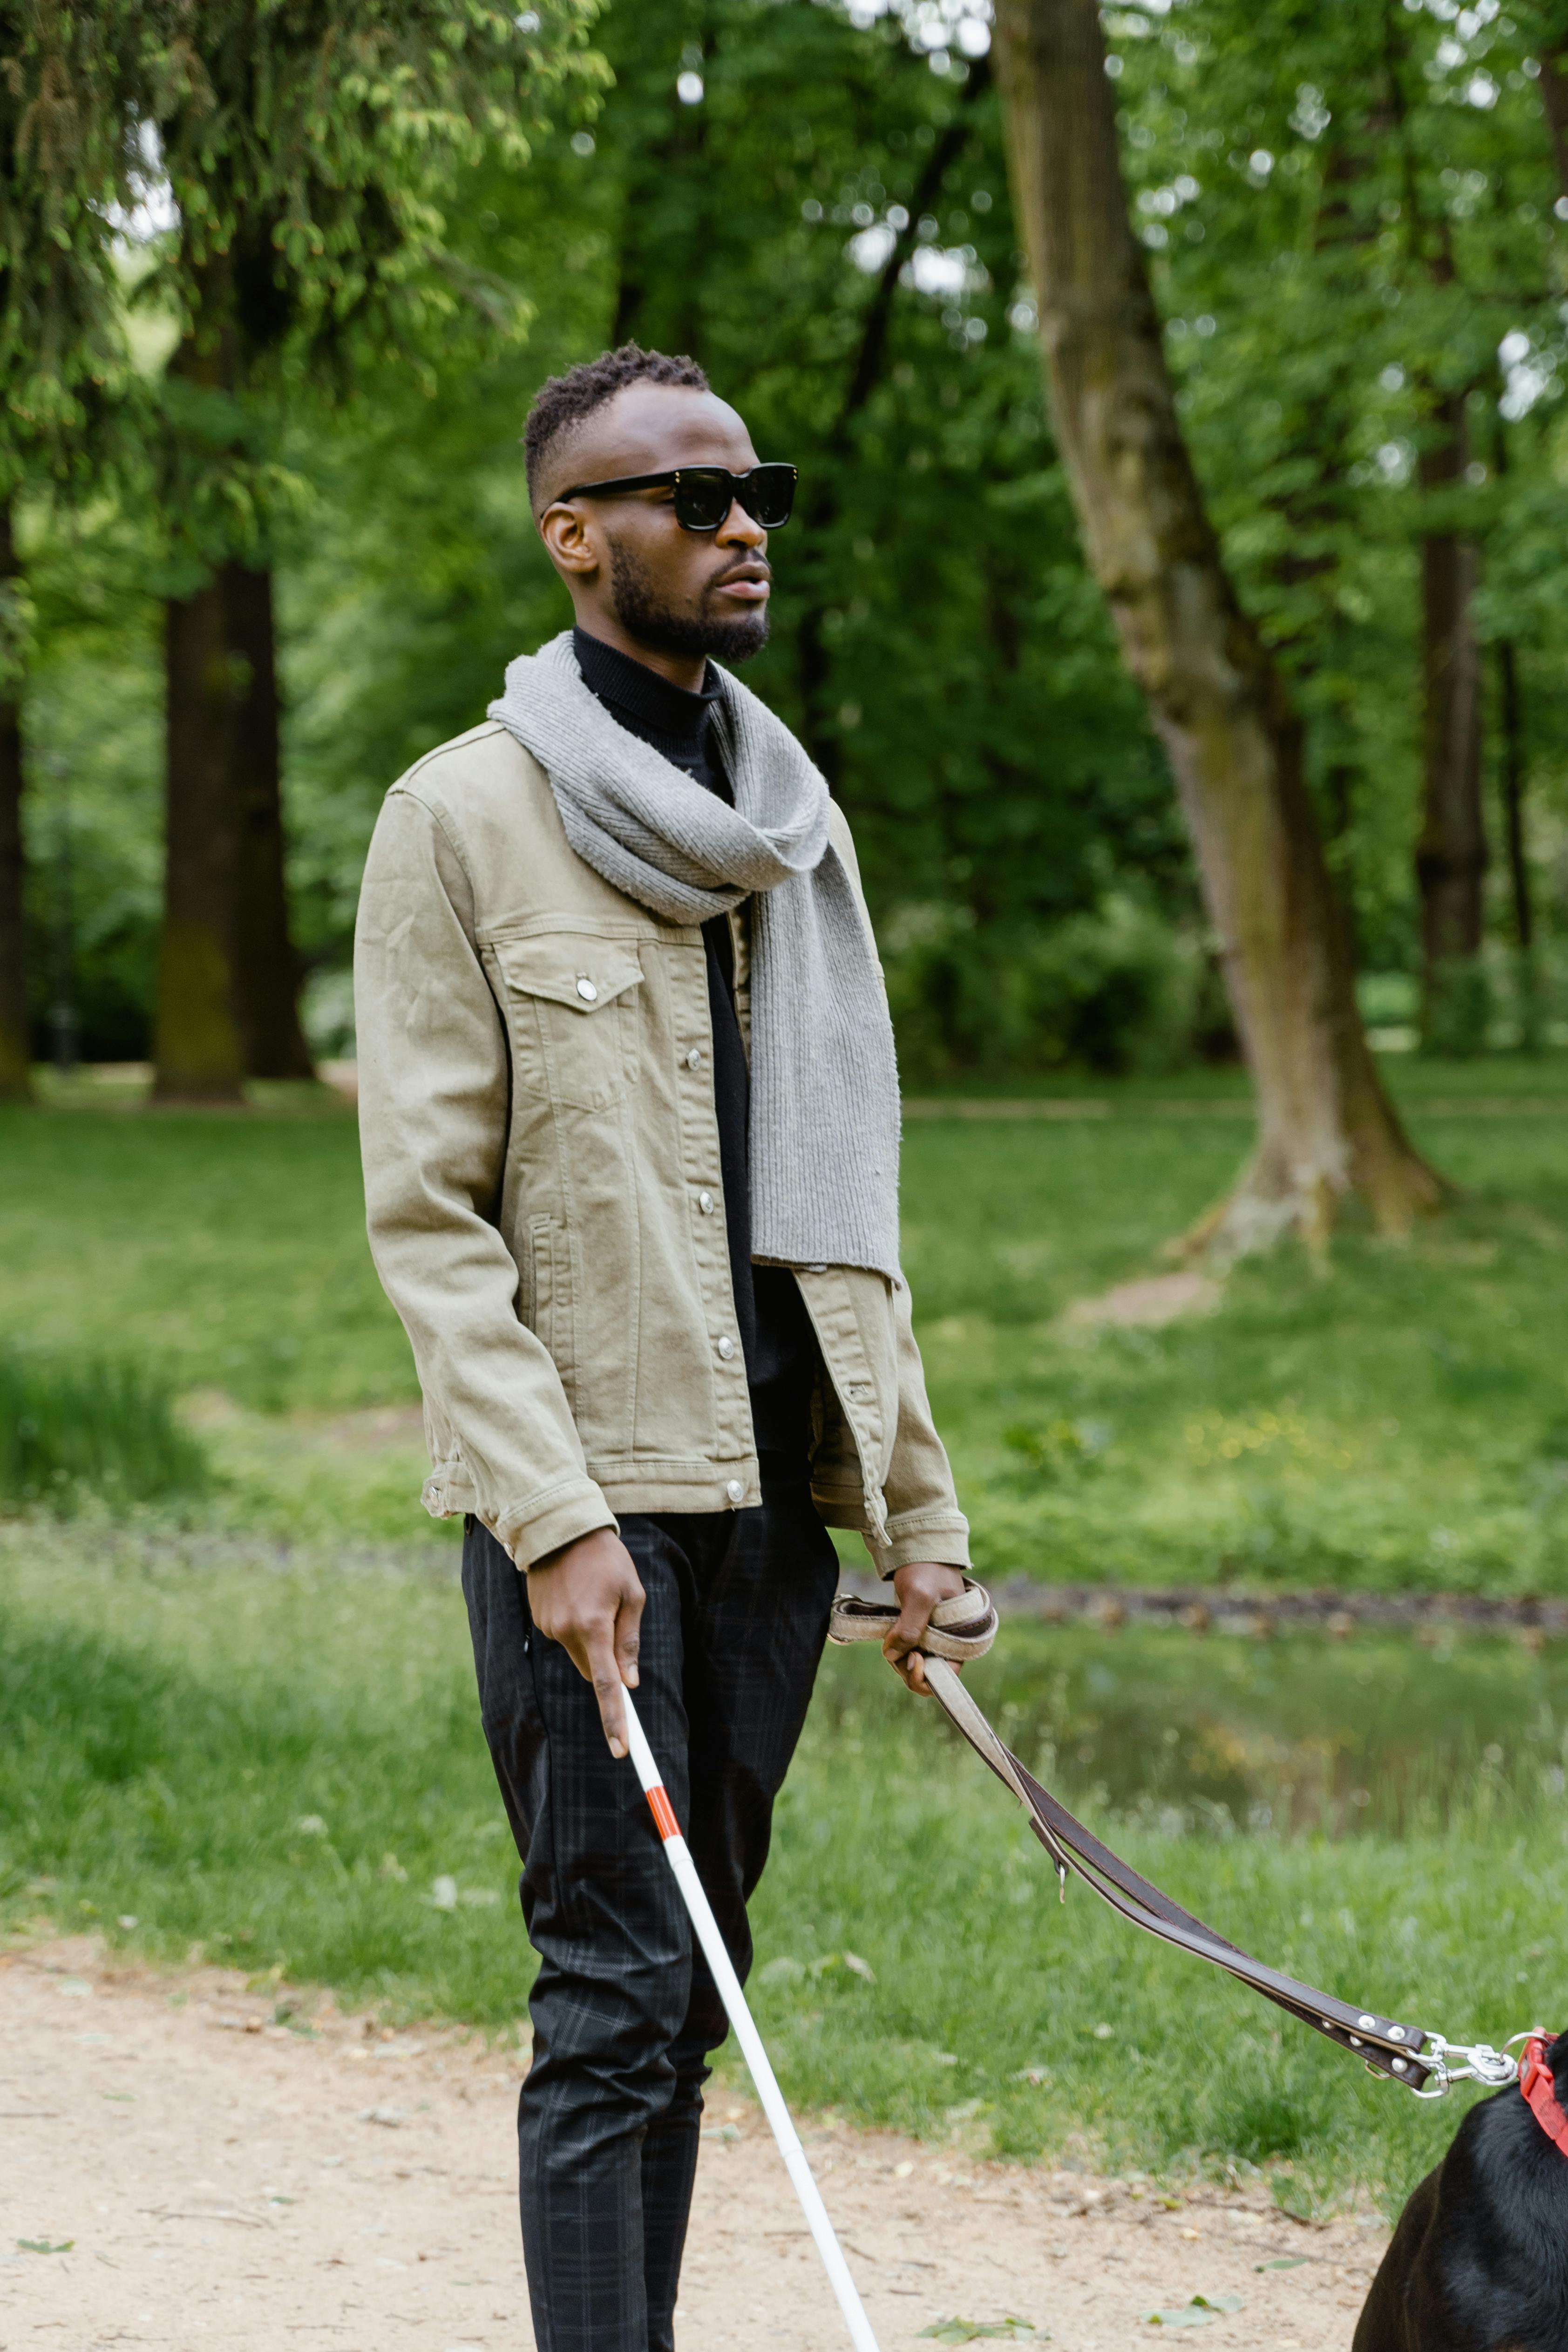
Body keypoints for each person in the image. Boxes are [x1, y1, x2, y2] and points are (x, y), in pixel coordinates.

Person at [353, 341, 972, 2352]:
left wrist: (916, 1517)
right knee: (613, 1995)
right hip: (594, 1506)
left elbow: (844, 1207)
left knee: (694, 1993)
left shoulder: (787, 827)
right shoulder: (459, 820)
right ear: (571, 536)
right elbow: (428, 1222)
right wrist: (548, 1521)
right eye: (688, 499)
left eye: (752, 495)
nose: (738, 528)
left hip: (772, 1517)